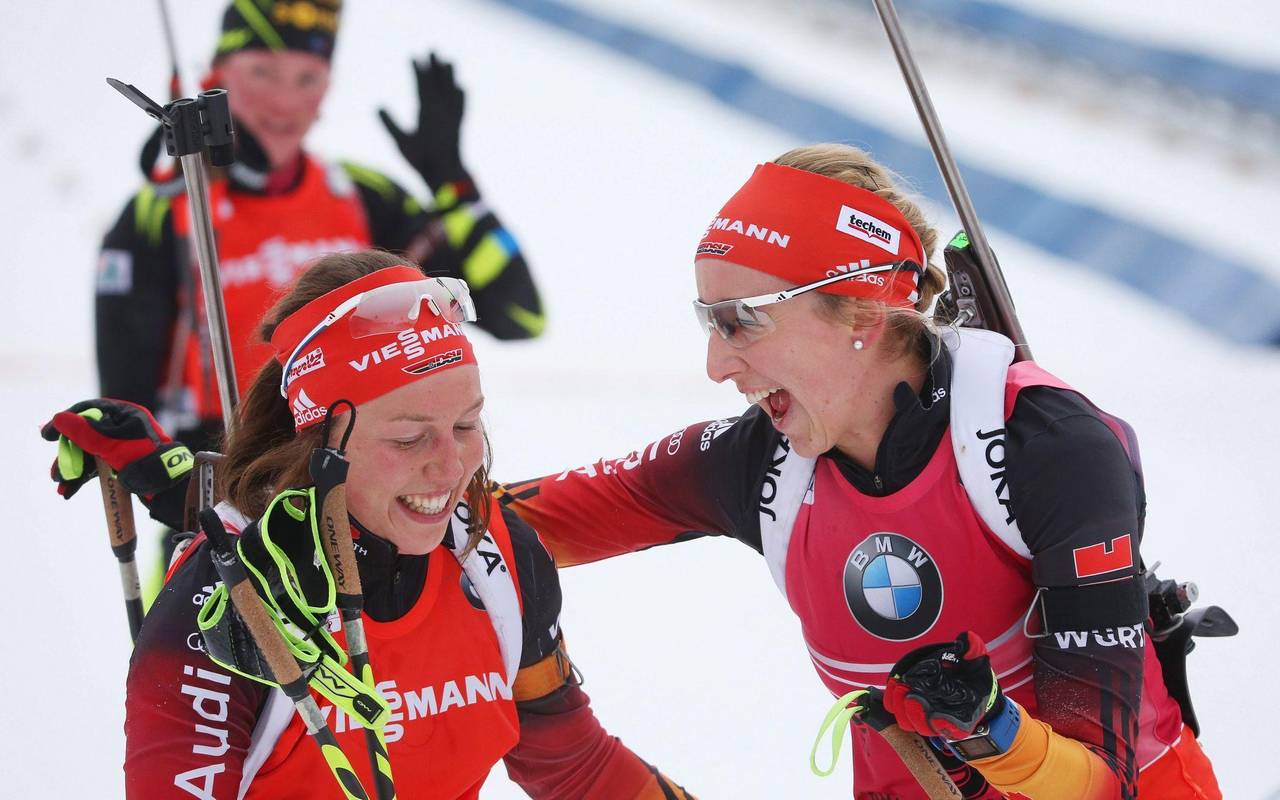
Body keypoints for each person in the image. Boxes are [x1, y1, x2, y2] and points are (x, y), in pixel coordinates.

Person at [494, 145, 1223, 799]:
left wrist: (990, 729)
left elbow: (1101, 785)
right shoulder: (761, 461)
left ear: (864, 316)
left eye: (740, 320)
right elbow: (496, 526)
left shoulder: (1045, 447)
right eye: (706, 319)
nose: (717, 364)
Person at [44, 251, 689, 799]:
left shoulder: (495, 557)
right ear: (321, 442)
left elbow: (574, 764)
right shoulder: (227, 602)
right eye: (410, 439)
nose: (452, 466)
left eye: (467, 425)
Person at [95, 0, 545, 461]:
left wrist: (453, 183)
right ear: (217, 76)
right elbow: (126, 415)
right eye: (262, 73)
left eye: (307, 78)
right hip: (219, 497)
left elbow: (520, 316)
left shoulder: (364, 197)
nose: (285, 100)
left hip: (361, 490)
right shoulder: (162, 213)